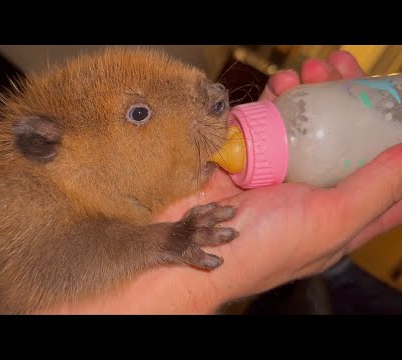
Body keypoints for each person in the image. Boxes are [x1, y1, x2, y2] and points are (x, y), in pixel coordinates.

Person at [41, 50, 402, 314]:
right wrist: (173, 241)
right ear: (51, 145)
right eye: (139, 113)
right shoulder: (38, 203)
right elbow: (62, 262)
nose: (220, 99)